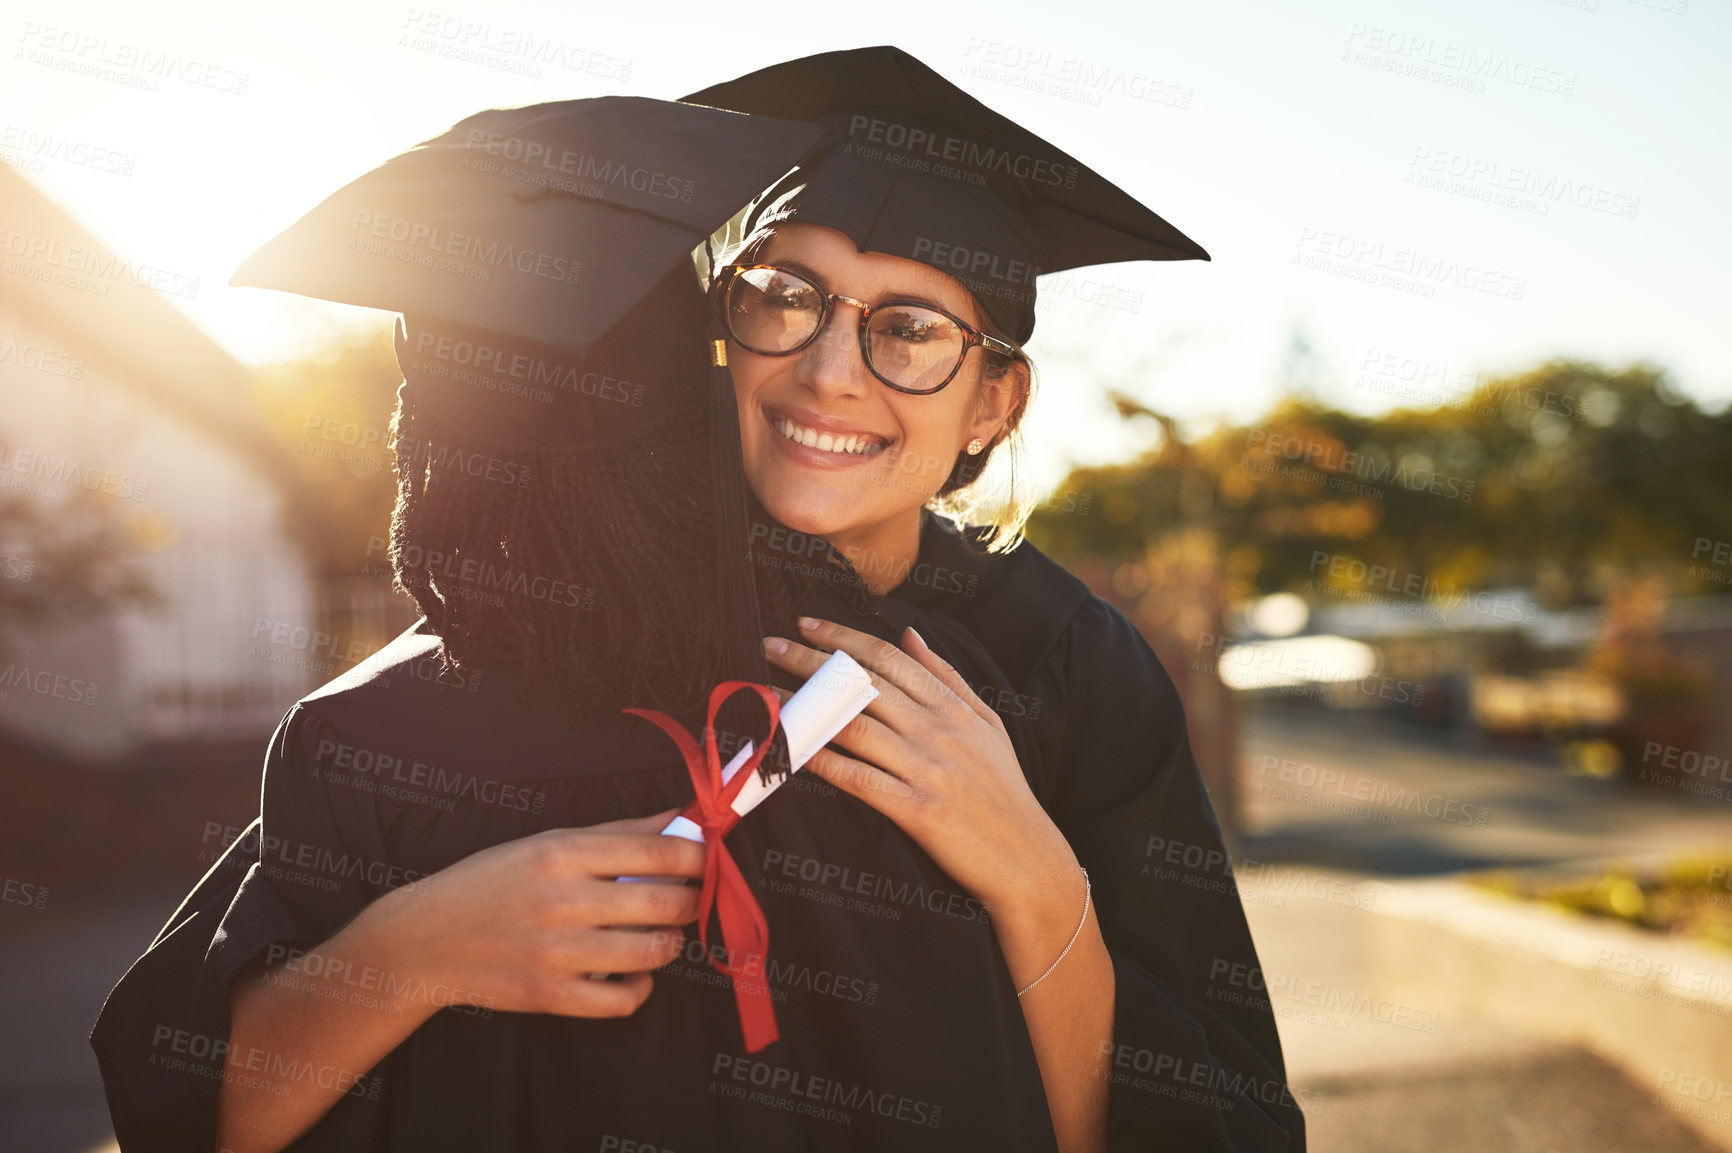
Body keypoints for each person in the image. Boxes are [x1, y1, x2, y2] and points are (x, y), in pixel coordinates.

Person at [683, 45, 1308, 1152]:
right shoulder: (594, 602)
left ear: (993, 403)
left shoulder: (1074, 662)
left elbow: (1235, 1114)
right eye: (784, 299)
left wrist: (1032, 872)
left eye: (910, 329)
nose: (830, 371)